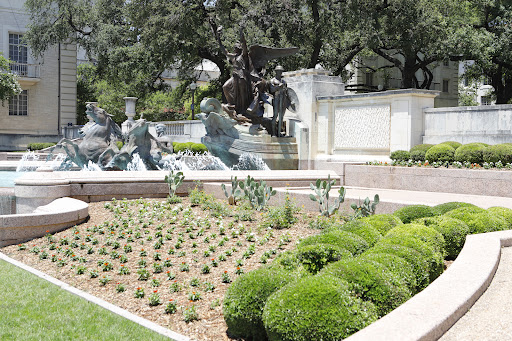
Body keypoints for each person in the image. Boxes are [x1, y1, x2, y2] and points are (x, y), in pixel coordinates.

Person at [270, 65, 288, 137]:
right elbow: (271, 90)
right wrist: (278, 87)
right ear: (276, 72)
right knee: (275, 116)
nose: (280, 73)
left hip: (283, 99)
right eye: (278, 71)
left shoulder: (284, 82)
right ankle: (274, 133)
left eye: (281, 72)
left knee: (281, 117)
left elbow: (287, 92)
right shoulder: (272, 80)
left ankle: (279, 132)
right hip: (276, 98)